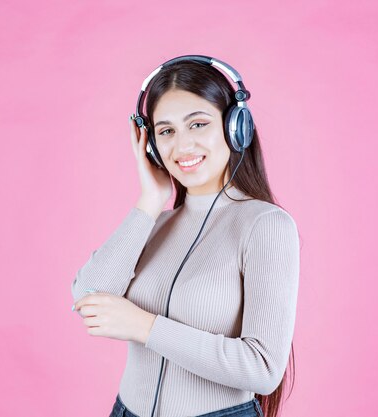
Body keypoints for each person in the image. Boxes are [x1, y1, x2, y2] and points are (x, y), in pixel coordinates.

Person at [71, 56, 300, 417]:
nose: (183, 146)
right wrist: (149, 200)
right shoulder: (154, 224)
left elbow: (263, 369)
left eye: (197, 124)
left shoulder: (265, 225)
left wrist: (144, 326)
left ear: (235, 126)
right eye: (166, 131)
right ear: (151, 145)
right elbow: (88, 297)